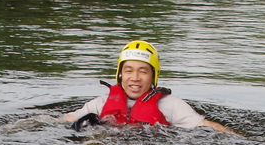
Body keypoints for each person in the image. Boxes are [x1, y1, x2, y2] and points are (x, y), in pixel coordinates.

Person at [63, 41, 237, 133]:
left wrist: (245, 141)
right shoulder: (99, 104)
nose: (135, 78)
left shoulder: (172, 105)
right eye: (129, 71)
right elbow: (65, 120)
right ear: (120, 74)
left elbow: (207, 126)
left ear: (154, 76)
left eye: (143, 71)